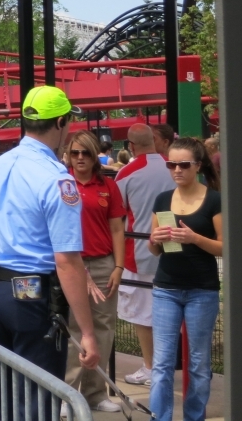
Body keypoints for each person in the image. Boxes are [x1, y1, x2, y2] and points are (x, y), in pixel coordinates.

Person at [0, 86, 99, 418]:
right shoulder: (56, 179)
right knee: (38, 400)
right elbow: (68, 260)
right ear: (61, 122)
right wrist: (87, 332)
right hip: (30, 297)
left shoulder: (0, 165)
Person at [147, 136, 222, 421]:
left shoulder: (214, 199)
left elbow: (224, 246)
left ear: (197, 165)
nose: (176, 170)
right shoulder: (163, 199)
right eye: (171, 164)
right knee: (162, 363)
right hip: (166, 287)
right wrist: (154, 239)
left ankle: (194, 417)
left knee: (199, 364)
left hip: (202, 290)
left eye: (183, 165)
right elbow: (154, 249)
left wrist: (194, 238)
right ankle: (160, 417)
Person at [63, 131, 126, 414]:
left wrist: (118, 266)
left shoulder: (108, 186)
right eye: (75, 152)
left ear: (94, 156)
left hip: (102, 264)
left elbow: (116, 228)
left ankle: (95, 393)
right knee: (74, 329)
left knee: (102, 329)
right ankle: (66, 393)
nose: (79, 158)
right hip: (70, 264)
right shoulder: (61, 183)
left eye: (85, 153)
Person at [115, 123, 175, 385]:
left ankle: (151, 368)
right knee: (170, 310)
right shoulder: (175, 166)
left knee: (143, 314)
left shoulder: (126, 173)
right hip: (174, 247)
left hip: (139, 252)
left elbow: (117, 215)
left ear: (130, 145)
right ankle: (163, 367)